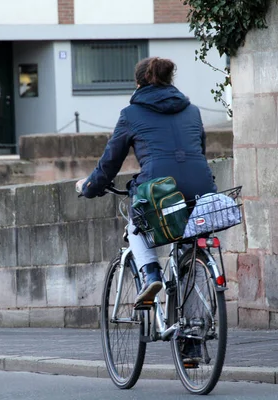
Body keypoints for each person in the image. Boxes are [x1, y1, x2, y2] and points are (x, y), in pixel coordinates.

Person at [76, 57, 216, 308]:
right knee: (190, 248)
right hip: (201, 188)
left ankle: (151, 275)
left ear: (138, 84)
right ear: (169, 80)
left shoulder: (131, 114)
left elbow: (110, 162)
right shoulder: (192, 110)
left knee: (136, 224)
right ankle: (193, 334)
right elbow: (200, 151)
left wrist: (89, 187)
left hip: (159, 190)